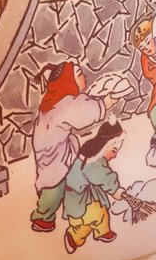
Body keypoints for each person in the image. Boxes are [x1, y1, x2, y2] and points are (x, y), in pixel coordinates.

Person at [29, 61, 117, 233]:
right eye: (79, 74)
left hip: (55, 152)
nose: (84, 77)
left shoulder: (53, 101)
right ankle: (43, 217)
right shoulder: (63, 104)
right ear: (68, 81)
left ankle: (69, 218)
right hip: (55, 157)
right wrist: (106, 103)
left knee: (63, 184)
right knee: (53, 188)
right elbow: (80, 111)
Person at [62, 118, 126, 254]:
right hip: (80, 199)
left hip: (80, 196)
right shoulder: (93, 161)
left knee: (86, 223)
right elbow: (103, 177)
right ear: (106, 145)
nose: (115, 155)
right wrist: (115, 190)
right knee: (98, 213)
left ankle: (74, 237)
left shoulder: (91, 156)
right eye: (114, 150)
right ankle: (102, 232)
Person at [130, 14, 156, 145]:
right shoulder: (146, 60)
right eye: (142, 48)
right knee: (154, 112)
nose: (147, 48)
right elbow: (154, 78)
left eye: (148, 42)